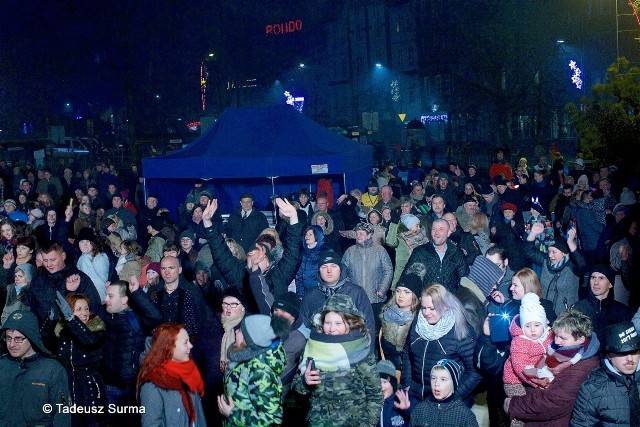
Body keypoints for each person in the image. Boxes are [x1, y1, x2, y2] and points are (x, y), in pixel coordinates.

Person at [293, 294, 382, 427]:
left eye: (338, 323)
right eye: (327, 323)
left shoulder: (360, 352)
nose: (332, 328)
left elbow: (375, 395)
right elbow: (297, 388)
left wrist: (366, 424)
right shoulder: (313, 348)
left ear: (350, 324)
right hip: (319, 422)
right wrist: (304, 382)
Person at [504, 309, 601, 425]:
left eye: (563, 338)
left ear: (581, 339)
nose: (556, 341)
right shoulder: (567, 353)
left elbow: (551, 403)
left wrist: (512, 404)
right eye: (556, 335)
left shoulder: (580, 369)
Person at [401, 284, 481, 405]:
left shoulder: (460, 330)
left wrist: (453, 397)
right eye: (424, 308)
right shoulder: (418, 323)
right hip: (416, 397)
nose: (426, 313)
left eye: (432, 308)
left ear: (445, 306)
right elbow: (407, 351)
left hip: (448, 403)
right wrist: (407, 383)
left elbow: (475, 371)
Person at [27, 242, 104, 353]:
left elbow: (94, 310)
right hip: (45, 341)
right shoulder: (38, 279)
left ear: (63, 256)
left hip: (74, 343)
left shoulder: (80, 278)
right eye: (45, 260)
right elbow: (31, 310)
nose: (49, 264)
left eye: (53, 260)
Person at [0, 310, 71, 426]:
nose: (12, 344)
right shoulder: (2, 366)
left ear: (31, 337)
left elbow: (62, 415)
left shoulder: (52, 370)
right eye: (8, 338)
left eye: (18, 339)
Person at [218, 314, 287, 426]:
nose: (236, 332)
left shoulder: (260, 373)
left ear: (249, 340)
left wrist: (233, 414)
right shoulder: (244, 358)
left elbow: (272, 420)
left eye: (240, 331)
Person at [571, 321, 640, 426]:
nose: (630, 359)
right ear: (609, 355)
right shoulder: (592, 389)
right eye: (622, 353)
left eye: (634, 352)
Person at [54, 291, 107, 427]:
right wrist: (50, 321)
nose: (84, 313)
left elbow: (88, 340)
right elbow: (47, 344)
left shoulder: (97, 330)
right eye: (78, 309)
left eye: (86, 308)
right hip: (67, 387)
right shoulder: (63, 331)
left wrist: (72, 320)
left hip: (90, 388)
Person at [138, 323, 206, 427]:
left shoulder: (190, 373)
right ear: (169, 347)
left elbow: (199, 416)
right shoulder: (152, 386)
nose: (191, 346)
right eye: (185, 343)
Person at [299, 250, 375, 337]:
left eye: (333, 266)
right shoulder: (310, 296)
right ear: (319, 271)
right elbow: (304, 326)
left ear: (340, 269)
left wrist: (367, 349)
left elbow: (369, 325)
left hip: (351, 346)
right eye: (324, 267)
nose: (329, 270)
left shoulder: (357, 292)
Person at [525, 223, 586, 315]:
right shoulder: (545, 261)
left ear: (564, 253)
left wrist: (570, 242)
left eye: (554, 252)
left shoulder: (572, 265)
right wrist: (533, 233)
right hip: (546, 313)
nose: (550, 255)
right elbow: (528, 252)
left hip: (567, 315)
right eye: (549, 251)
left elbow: (582, 264)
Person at [503, 293, 554, 402]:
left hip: (539, 372)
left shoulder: (549, 335)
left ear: (544, 324)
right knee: (520, 404)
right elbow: (520, 367)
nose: (532, 330)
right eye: (527, 326)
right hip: (515, 379)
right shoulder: (519, 341)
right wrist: (536, 382)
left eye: (537, 325)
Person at [571, 263, 632, 353]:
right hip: (586, 359)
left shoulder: (622, 311)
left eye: (601, 278)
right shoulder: (578, 309)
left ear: (610, 284)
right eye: (593, 278)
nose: (596, 282)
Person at [402, 218, 469, 293]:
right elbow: (407, 279)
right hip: (425, 301)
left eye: (441, 229)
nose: (436, 232)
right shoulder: (420, 252)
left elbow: (465, 279)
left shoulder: (457, 253)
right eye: (434, 229)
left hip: (449, 301)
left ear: (448, 233)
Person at [409, 359, 479, 427]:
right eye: (433, 378)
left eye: (443, 379)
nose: (436, 383)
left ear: (454, 384)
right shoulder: (420, 409)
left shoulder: (465, 416)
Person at [379, 273, 422, 370]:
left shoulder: (420, 320)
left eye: (406, 292)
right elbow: (385, 347)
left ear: (415, 295)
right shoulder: (388, 314)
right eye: (398, 291)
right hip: (391, 369)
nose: (401, 295)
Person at [76, 227, 109, 303]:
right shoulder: (82, 258)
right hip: (95, 299)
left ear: (93, 243)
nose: (85, 245)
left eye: (88, 241)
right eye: (81, 242)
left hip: (98, 299)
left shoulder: (101, 257)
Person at [378, 359, 412, 427]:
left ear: (393, 384)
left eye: (385, 382)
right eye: (378, 382)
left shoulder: (403, 398)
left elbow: (418, 420)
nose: (381, 386)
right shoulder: (372, 402)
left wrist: (407, 410)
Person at [295, 225, 325, 299]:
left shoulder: (325, 252)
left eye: (310, 234)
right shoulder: (302, 253)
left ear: (317, 236)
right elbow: (299, 276)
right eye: (306, 234)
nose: (307, 236)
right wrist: (300, 294)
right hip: (305, 295)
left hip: (321, 294)